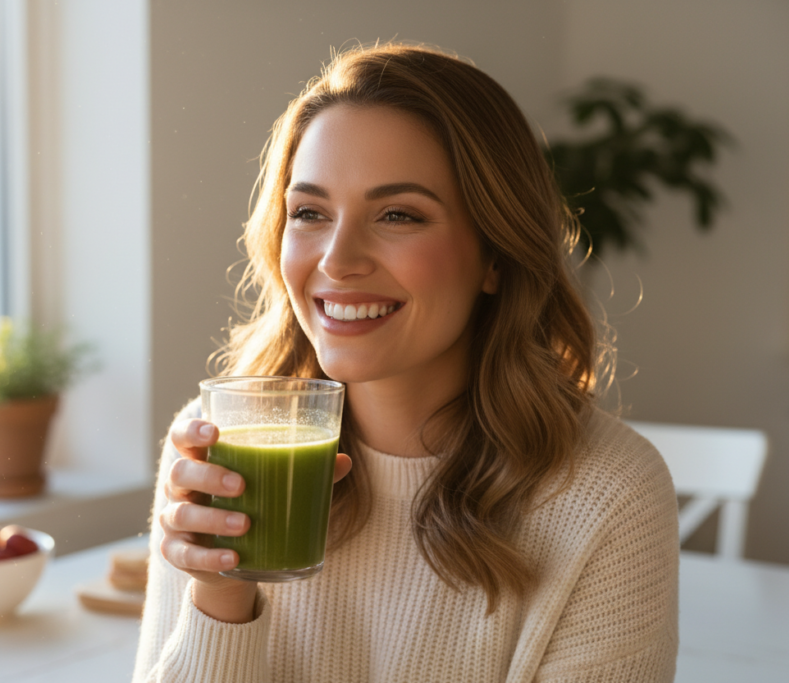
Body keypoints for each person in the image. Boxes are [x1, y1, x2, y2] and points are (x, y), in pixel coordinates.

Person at [133, 43, 679, 683]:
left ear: (496, 258)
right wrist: (220, 597)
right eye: (309, 212)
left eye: (398, 215)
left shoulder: (608, 493)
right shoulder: (217, 445)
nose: (337, 260)